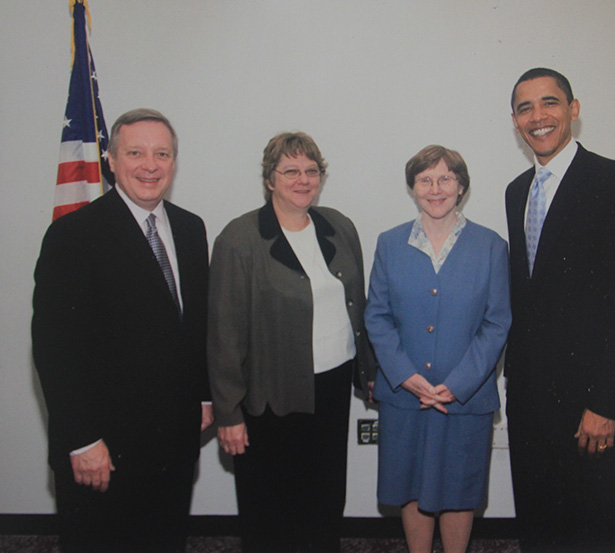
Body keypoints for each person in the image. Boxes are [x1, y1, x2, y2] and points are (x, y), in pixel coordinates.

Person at [32, 108, 212, 553]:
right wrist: (82, 439)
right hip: (103, 449)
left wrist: (204, 396)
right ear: (111, 160)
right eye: (135, 152)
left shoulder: (191, 229)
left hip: (172, 443)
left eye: (162, 153)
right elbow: (55, 350)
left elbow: (194, 326)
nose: (150, 165)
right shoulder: (72, 235)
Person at [504, 68, 615, 553]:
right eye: (525, 108)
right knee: (538, 529)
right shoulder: (516, 191)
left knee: (586, 535)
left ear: (573, 109)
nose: (538, 116)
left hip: (591, 407)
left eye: (550, 103)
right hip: (530, 402)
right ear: (515, 121)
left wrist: (606, 404)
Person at [208, 132, 374, 553]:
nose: (303, 180)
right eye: (291, 171)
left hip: (332, 385)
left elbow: (359, 303)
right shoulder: (240, 239)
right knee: (273, 506)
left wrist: (368, 371)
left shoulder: (338, 225)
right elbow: (223, 333)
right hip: (271, 395)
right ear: (270, 179)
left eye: (311, 171)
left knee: (324, 495)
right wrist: (228, 413)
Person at [364, 145, 511, 553]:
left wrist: (458, 383)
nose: (435, 188)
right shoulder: (390, 243)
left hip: (464, 399)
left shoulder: (491, 246)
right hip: (404, 395)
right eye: (425, 179)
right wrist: (406, 377)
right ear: (412, 188)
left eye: (446, 178)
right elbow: (376, 315)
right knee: (411, 484)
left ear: (461, 186)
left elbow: (497, 322)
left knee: (459, 487)